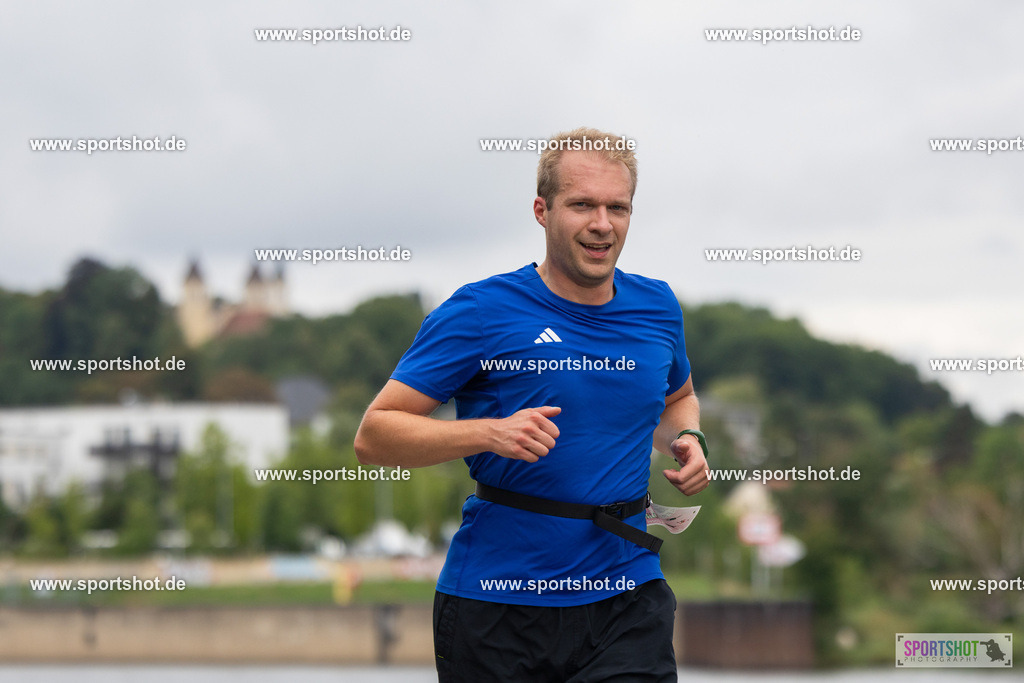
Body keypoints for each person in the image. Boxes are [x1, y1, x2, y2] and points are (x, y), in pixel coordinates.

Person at [354, 126, 710, 682]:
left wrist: (687, 438)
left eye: (617, 207)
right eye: (582, 205)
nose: (602, 223)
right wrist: (487, 432)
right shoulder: (482, 310)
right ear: (542, 211)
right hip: (500, 604)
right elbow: (374, 435)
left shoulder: (658, 306)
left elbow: (677, 398)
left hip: (627, 593)